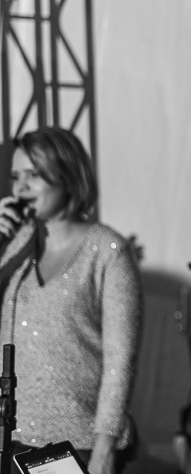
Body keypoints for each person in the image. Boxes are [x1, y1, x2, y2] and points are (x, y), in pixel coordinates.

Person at [0, 128, 142, 474]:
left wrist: (104, 449)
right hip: (9, 438)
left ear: (67, 175)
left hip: (78, 446)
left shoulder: (108, 252)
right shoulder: (14, 245)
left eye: (33, 176)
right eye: (16, 177)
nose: (20, 189)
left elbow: (119, 360)